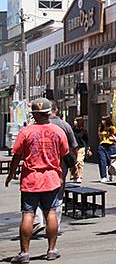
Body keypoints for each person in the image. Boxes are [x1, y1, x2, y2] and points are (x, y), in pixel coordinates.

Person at [5, 98, 69, 263]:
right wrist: (64, 174)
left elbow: (16, 155)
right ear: (49, 112)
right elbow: (64, 154)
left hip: (31, 179)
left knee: (28, 214)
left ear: (33, 113)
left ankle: (24, 253)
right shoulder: (58, 131)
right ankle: (52, 250)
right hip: (52, 179)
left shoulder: (26, 132)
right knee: (51, 213)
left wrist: (11, 173)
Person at [33, 102, 77, 236]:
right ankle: (54, 227)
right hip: (60, 166)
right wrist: (74, 165)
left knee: (37, 194)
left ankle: (39, 220)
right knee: (57, 196)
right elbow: (73, 146)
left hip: (37, 165)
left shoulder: (34, 127)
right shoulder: (64, 126)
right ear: (56, 111)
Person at [97, 116, 116, 183]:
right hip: (102, 145)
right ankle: (103, 176)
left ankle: (110, 174)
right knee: (102, 161)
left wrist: (112, 138)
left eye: (104, 120)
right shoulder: (101, 128)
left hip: (111, 146)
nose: (102, 121)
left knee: (110, 161)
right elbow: (99, 136)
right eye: (102, 120)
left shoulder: (112, 128)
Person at [71, 118, 90, 183]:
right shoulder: (72, 130)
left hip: (81, 148)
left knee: (79, 162)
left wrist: (88, 149)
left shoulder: (83, 131)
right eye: (74, 120)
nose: (74, 122)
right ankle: (75, 175)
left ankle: (79, 176)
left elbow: (87, 140)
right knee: (74, 162)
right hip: (73, 148)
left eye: (76, 121)